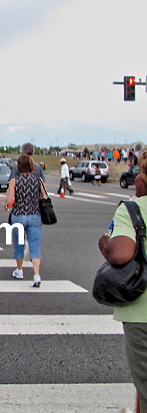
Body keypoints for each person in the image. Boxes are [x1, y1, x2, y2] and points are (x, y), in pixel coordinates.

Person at [98, 153, 147, 411]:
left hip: (142, 312)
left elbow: (120, 254)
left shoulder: (133, 208)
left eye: (139, 173)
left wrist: (105, 244)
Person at [5, 154, 45, 287]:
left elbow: (10, 200)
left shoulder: (14, 181)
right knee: (35, 245)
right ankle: (36, 274)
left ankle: (19, 270)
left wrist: (8, 203)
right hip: (34, 215)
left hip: (18, 215)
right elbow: (44, 196)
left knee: (19, 244)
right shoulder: (38, 180)